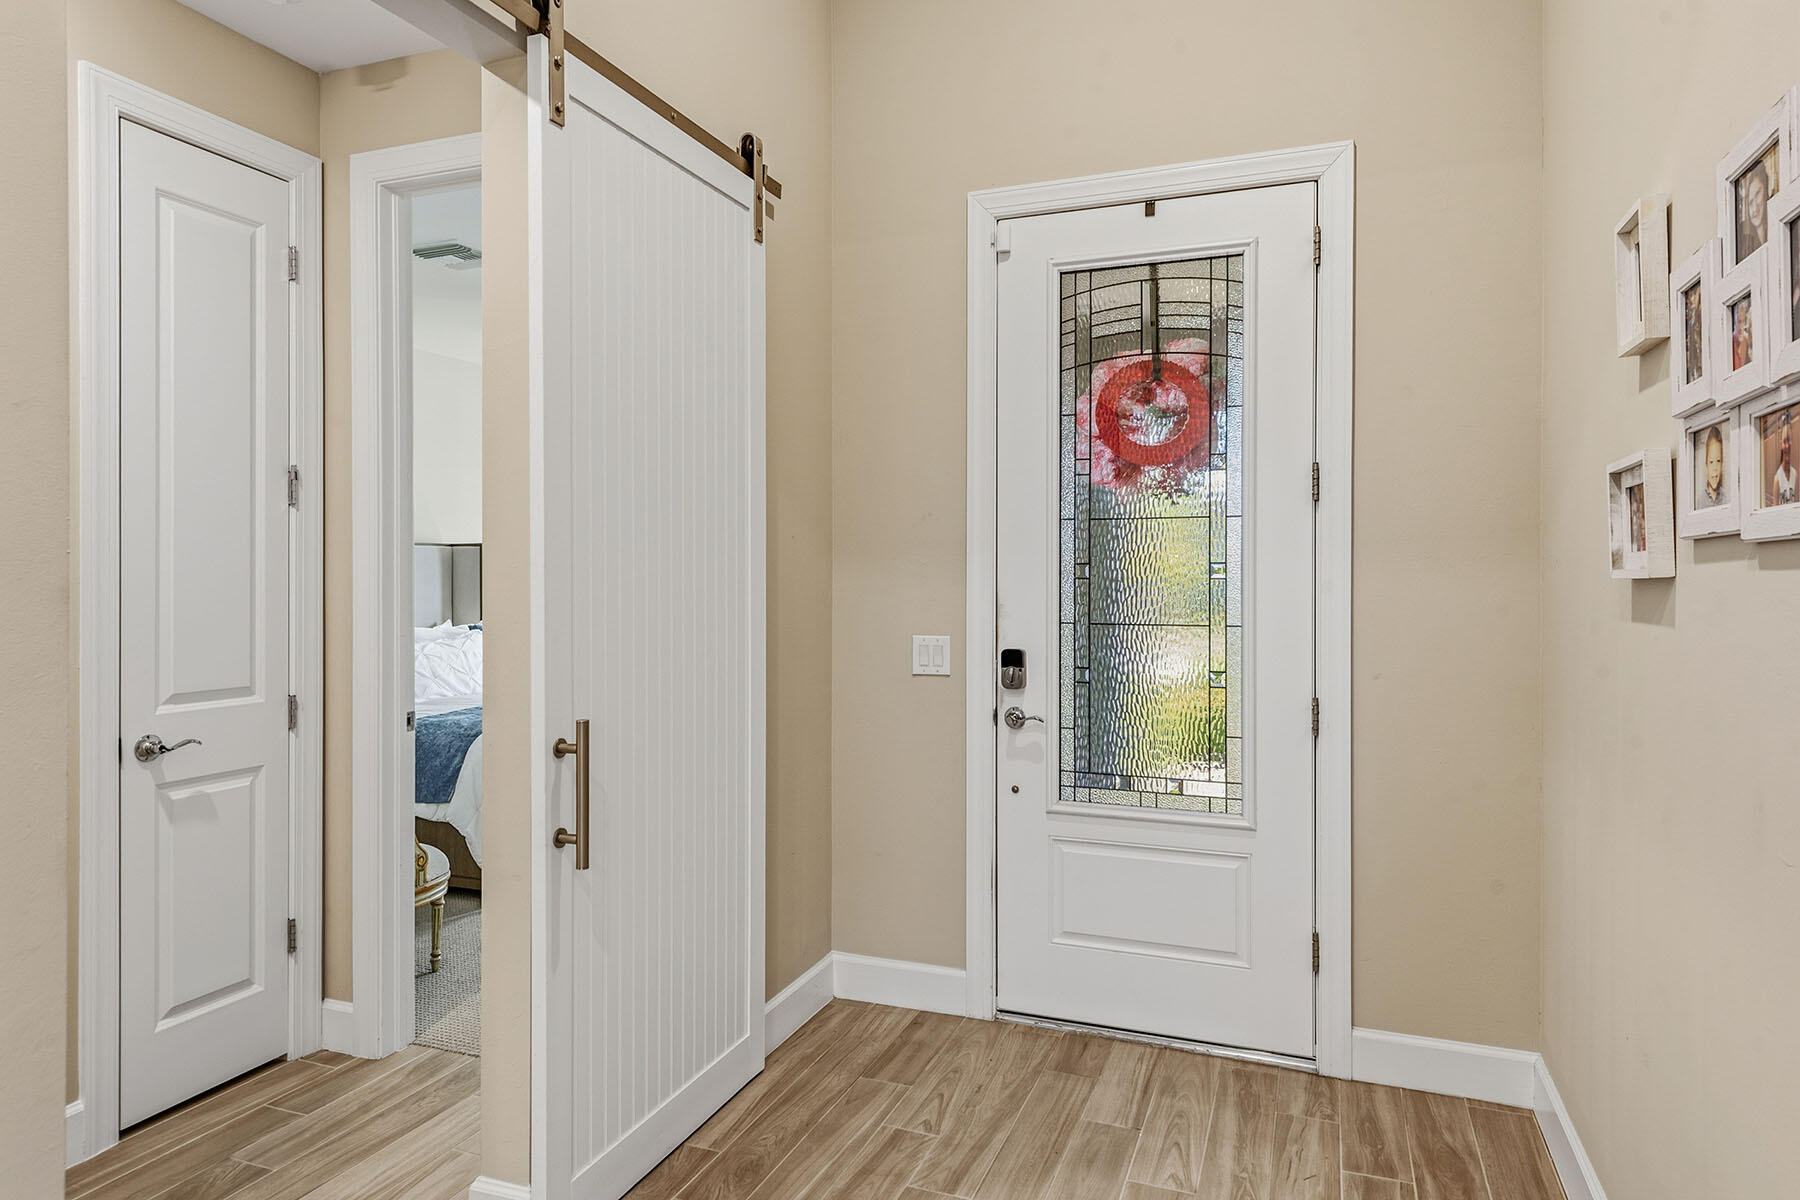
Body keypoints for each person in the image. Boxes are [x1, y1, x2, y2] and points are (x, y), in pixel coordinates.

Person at [1738, 159, 1771, 258]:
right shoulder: (1745, 245)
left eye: (1757, 194)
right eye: (1750, 202)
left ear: (1766, 192)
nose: (1754, 208)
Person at [1700, 425, 1727, 508]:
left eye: (1718, 461)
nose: (1715, 468)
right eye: (1711, 462)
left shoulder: (1726, 499)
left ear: (1722, 465)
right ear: (1706, 466)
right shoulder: (1700, 501)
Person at [1772, 421, 1797, 506]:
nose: (1787, 445)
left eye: (1789, 440)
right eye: (1784, 441)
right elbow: (1774, 509)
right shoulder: (1777, 478)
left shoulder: (1795, 474)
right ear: (1781, 445)